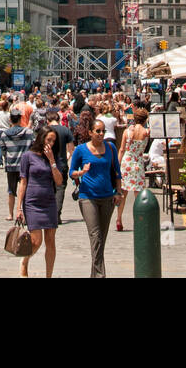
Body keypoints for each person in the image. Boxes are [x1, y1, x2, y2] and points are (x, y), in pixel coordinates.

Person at [69, 119, 122, 278]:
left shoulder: (111, 148)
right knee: (95, 236)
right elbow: (71, 172)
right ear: (90, 132)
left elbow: (117, 172)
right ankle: (101, 275)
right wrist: (81, 173)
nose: (101, 134)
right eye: (97, 131)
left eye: (103, 131)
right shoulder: (81, 150)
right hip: (87, 198)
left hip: (107, 197)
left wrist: (118, 192)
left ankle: (94, 275)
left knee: (101, 240)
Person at [16, 126, 64, 277]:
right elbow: (23, 182)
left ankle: (48, 275)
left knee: (50, 241)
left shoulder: (54, 157)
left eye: (54, 141)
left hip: (49, 201)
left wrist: (51, 161)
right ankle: (25, 261)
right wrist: (19, 208)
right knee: (36, 241)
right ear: (41, 138)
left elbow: (59, 181)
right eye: (48, 139)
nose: (51, 143)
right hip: (32, 202)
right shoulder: (28, 156)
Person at [115, 108, 151, 232]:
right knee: (138, 194)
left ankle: (119, 219)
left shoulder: (127, 132)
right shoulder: (147, 132)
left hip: (127, 161)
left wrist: (117, 164)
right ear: (145, 120)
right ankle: (139, 220)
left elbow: (121, 149)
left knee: (123, 193)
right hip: (138, 162)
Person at [0, 108, 34, 220]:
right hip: (25, 165)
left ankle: (10, 214)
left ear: (10, 120)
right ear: (20, 119)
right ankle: (25, 214)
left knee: (11, 190)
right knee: (26, 190)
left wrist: (7, 157)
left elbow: (2, 150)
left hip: (11, 165)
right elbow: (33, 147)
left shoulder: (4, 135)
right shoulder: (28, 133)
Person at [43, 107, 75, 224]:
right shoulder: (65, 130)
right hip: (62, 163)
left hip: (47, 163)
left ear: (48, 120)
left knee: (49, 188)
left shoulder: (46, 130)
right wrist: (68, 158)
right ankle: (57, 213)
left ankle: (49, 213)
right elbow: (71, 149)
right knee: (60, 189)